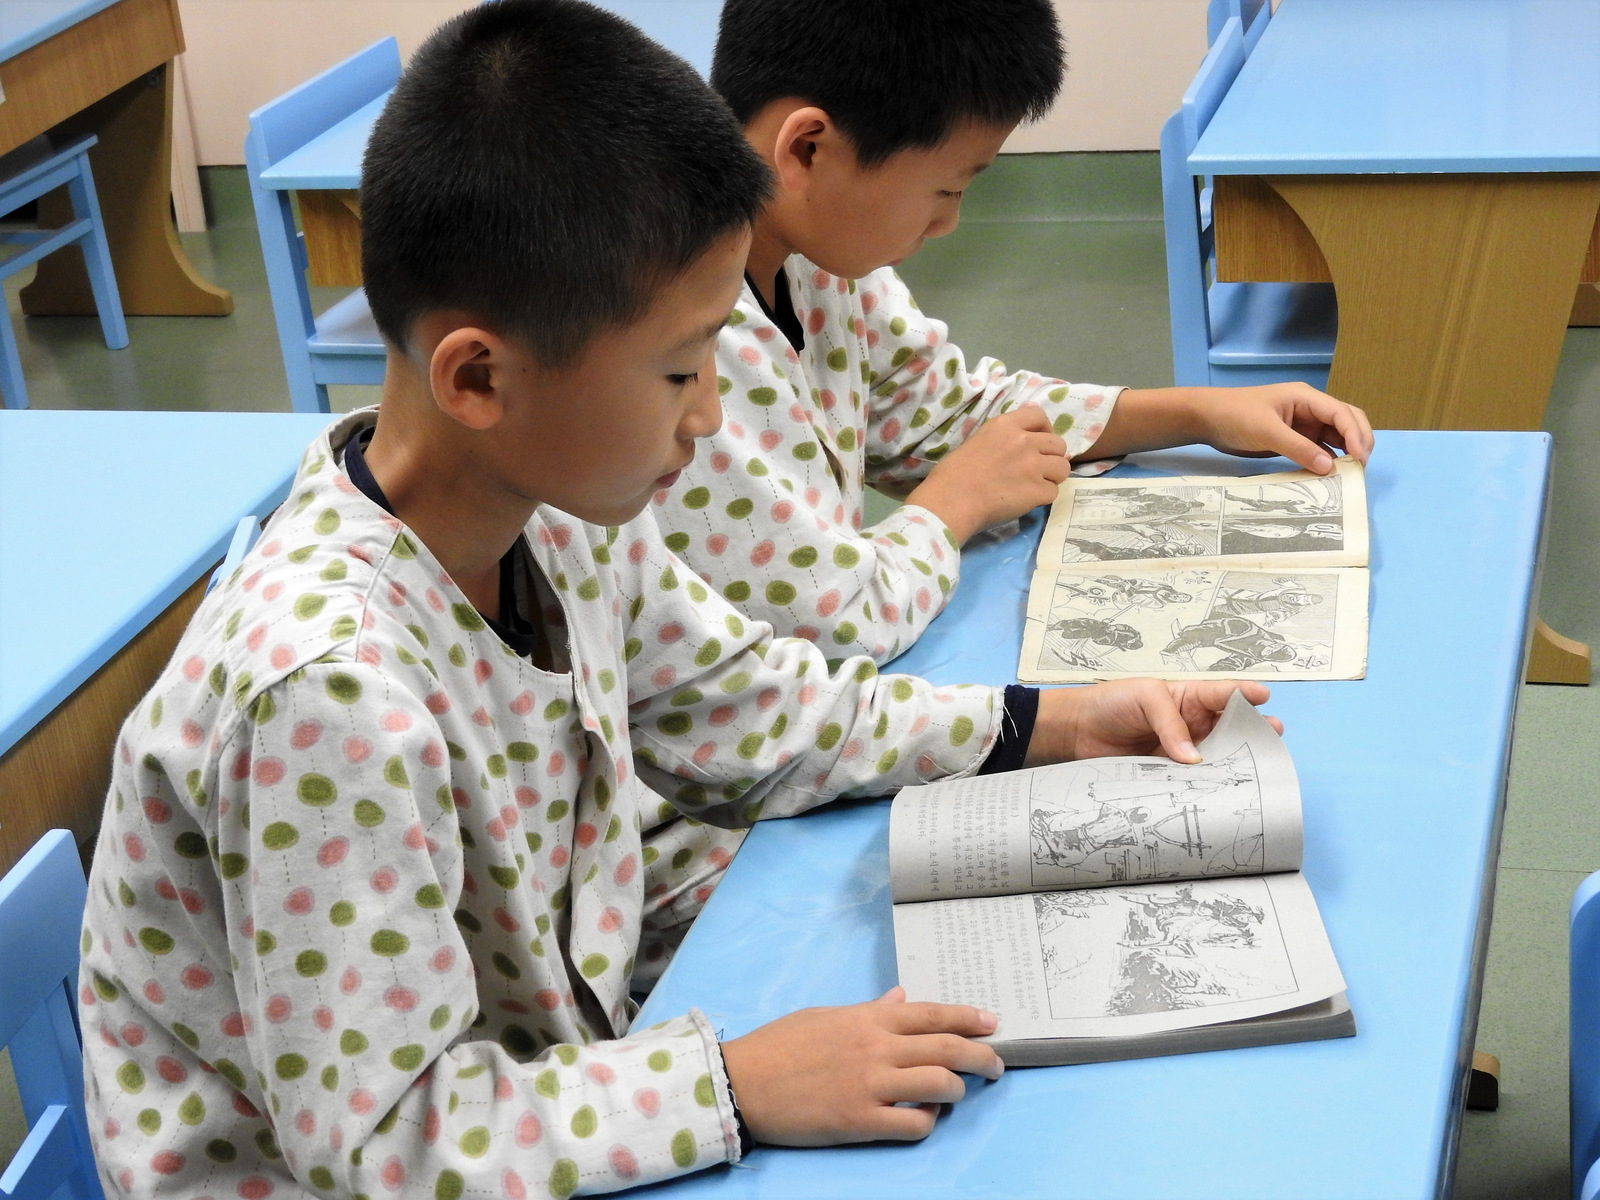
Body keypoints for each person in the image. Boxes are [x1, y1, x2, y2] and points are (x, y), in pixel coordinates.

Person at [78, 3, 1281, 1196]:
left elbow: (759, 713)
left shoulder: (551, 510)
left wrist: (1056, 724)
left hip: (562, 1051)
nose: (710, 414)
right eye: (678, 370)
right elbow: (392, 1144)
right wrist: (733, 1085)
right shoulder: (327, 696)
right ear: (480, 375)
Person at [651, 0, 1375, 664]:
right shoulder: (679, 346)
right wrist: (953, 504)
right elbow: (831, 628)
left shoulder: (820, 255)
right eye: (946, 189)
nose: (950, 223)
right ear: (808, 149)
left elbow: (944, 415)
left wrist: (1195, 414)